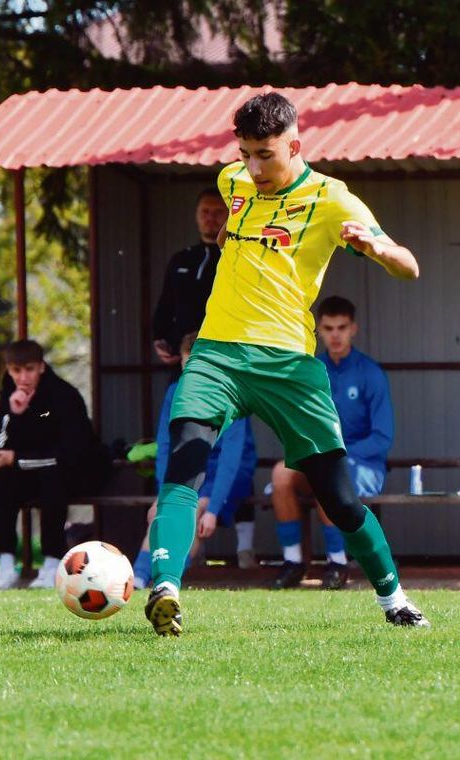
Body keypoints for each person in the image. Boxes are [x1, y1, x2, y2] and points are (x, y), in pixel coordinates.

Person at [143, 92, 428, 636]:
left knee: (340, 501)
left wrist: (375, 249)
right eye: (245, 153)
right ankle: (166, 588)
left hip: (288, 367)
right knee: (183, 464)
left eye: (265, 155)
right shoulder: (233, 183)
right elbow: (236, 230)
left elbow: (408, 266)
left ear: (295, 145)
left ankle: (394, 599)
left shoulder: (332, 199)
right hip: (216, 355)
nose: (253, 168)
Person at [270, 296, 393, 590]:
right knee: (281, 473)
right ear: (319, 331)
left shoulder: (370, 373)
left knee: (330, 470)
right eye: (328, 328)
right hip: (321, 456)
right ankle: (292, 562)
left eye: (342, 327)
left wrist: (338, 454)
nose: (335, 334)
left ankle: (337, 563)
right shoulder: (309, 370)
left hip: (363, 464)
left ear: (354, 329)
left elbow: (382, 437)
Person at [132, 332, 258, 589]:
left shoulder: (232, 394)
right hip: (191, 468)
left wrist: (213, 509)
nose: (191, 378)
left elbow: (231, 460)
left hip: (228, 476)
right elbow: (166, 447)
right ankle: (137, 580)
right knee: (164, 511)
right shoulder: (174, 393)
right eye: (185, 368)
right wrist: (162, 494)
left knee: (195, 510)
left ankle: (163, 582)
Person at [0, 339, 105, 589]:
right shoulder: (8, 394)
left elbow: (71, 452)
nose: (23, 377)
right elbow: (1, 449)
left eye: (29, 369)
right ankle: (6, 565)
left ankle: (52, 564)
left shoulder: (64, 395)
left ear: (41, 367)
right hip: (33, 471)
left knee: (54, 478)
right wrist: (14, 414)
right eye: (16, 370)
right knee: (0, 480)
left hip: (76, 471)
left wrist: (19, 459)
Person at [151, 188, 228, 368]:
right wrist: (160, 338)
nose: (211, 218)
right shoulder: (180, 259)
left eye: (218, 212)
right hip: (184, 359)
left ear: (230, 214)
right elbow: (165, 304)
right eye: (205, 212)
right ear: (196, 215)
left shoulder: (237, 258)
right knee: (175, 396)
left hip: (225, 357)